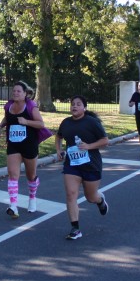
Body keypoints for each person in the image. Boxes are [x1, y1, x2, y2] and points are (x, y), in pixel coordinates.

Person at [55, 96, 110, 240]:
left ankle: (100, 200)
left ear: (84, 108)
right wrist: (58, 150)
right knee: (71, 194)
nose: (74, 106)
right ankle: (75, 228)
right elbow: (58, 136)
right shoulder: (66, 122)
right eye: (73, 104)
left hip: (91, 165)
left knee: (90, 197)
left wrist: (89, 146)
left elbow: (105, 141)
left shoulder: (91, 122)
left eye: (78, 104)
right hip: (72, 165)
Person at [0, 81, 46, 218]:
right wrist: (0, 126)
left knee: (31, 176)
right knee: (13, 175)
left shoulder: (31, 106)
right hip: (13, 144)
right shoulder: (9, 106)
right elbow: (7, 118)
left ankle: (32, 198)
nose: (15, 93)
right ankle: (13, 206)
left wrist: (26, 121)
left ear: (25, 93)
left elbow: (41, 124)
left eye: (18, 91)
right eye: (14, 91)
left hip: (29, 145)